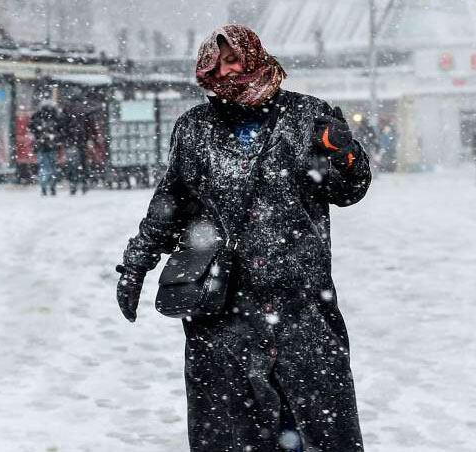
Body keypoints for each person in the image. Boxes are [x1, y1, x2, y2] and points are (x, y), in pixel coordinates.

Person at [115, 25, 370, 452]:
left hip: (301, 305)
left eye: (233, 59)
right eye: (215, 63)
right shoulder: (194, 128)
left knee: (319, 430)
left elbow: (349, 190)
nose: (225, 70)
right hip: (220, 309)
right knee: (230, 434)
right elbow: (170, 204)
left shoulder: (306, 116)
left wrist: (345, 154)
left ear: (253, 57)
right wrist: (136, 264)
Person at [62, 93, 95, 195]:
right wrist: (91, 139)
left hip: (70, 142)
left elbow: (63, 126)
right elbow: (91, 127)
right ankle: (84, 184)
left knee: (72, 164)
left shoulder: (67, 110)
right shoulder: (86, 110)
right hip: (83, 141)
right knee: (84, 163)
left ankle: (73, 185)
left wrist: (65, 139)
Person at [30, 98, 63, 195]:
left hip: (41, 145)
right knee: (52, 166)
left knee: (43, 166)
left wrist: (38, 136)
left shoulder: (37, 116)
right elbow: (61, 129)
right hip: (53, 145)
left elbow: (32, 128)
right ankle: (52, 186)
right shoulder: (56, 116)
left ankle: (43, 186)